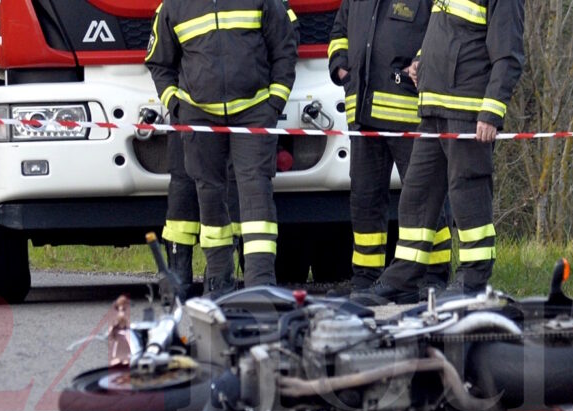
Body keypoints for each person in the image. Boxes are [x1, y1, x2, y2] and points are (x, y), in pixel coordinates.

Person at [352, 0, 525, 305]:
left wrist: (491, 112)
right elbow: (441, 33)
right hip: (433, 108)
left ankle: (473, 279)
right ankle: (404, 278)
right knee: (416, 194)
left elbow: (508, 56)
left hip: (468, 111)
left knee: (467, 194)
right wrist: (421, 61)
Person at [146, 0, 298, 293]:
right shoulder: (174, 6)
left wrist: (274, 103)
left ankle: (260, 281)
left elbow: (284, 49)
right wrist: (177, 107)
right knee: (210, 193)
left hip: (254, 112)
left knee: (256, 192)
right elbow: (158, 62)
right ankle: (218, 279)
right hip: (199, 117)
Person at [328, 0, 451, 297]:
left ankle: (433, 277)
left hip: (409, 115)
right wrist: (341, 65)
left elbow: (443, 31)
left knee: (424, 198)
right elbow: (339, 30)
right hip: (363, 115)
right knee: (365, 199)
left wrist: (423, 62)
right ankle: (366, 280)